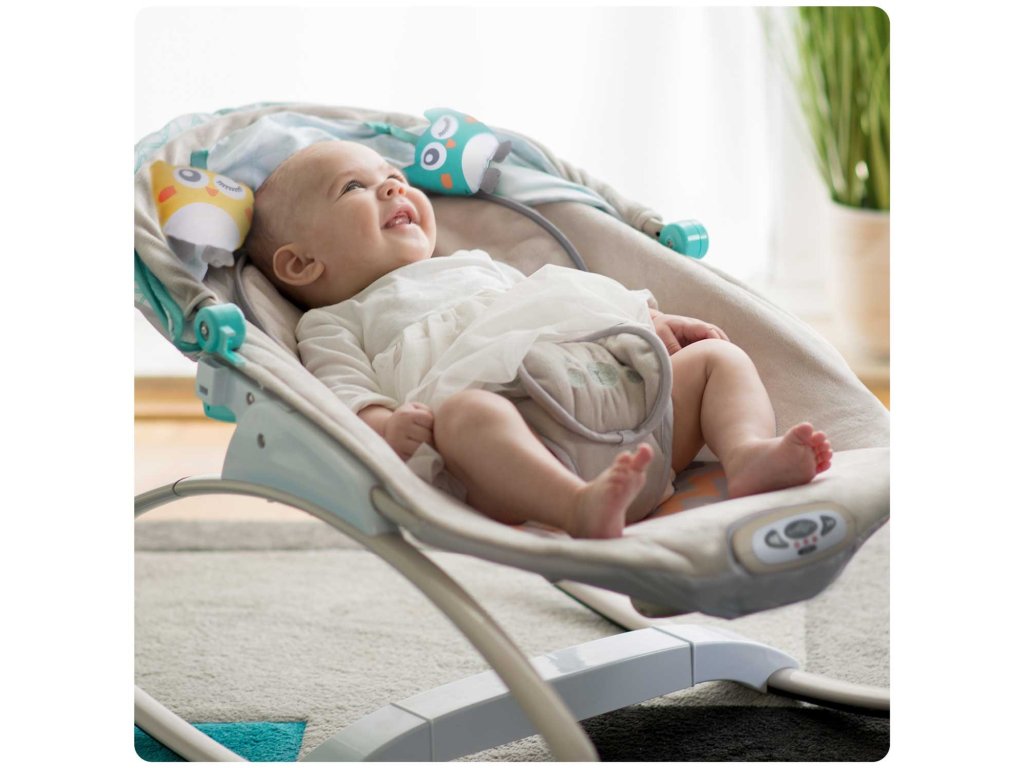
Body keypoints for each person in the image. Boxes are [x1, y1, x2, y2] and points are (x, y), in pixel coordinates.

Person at [243, 140, 832, 539]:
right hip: (525, 460)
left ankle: (747, 453)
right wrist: (387, 428)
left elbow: (566, 301)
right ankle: (577, 505)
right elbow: (346, 394)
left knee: (716, 359)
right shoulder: (335, 321)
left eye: (395, 179)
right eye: (354, 187)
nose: (395, 190)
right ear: (301, 264)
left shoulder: (477, 265)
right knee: (465, 415)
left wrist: (648, 320)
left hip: (631, 418)